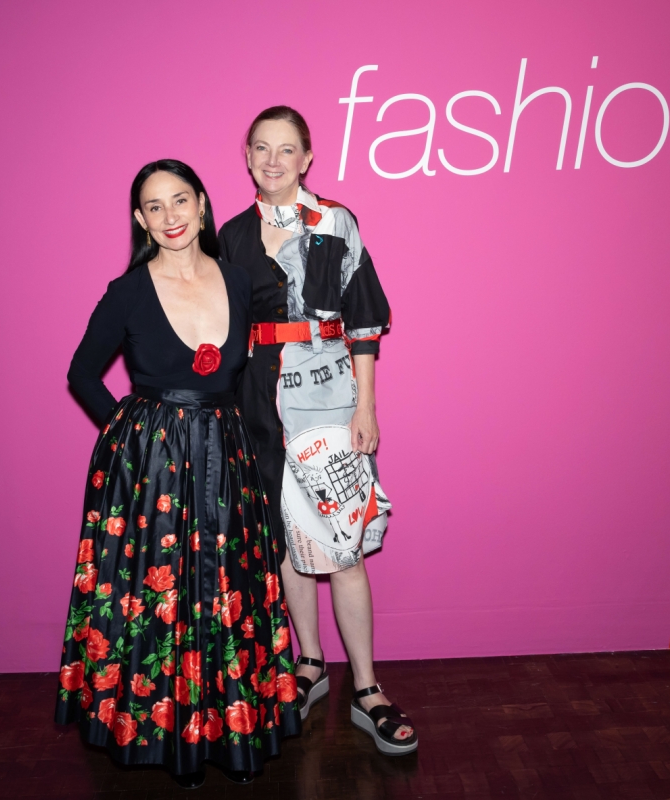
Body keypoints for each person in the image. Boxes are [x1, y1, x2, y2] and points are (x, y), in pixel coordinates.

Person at [56, 159, 300, 788]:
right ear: (140, 219)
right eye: (154, 207)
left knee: (228, 591)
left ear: (201, 205)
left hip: (228, 456)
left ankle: (233, 729)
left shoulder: (241, 282)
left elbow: (257, 369)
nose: (170, 217)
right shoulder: (129, 291)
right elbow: (83, 374)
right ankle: (165, 739)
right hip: (154, 469)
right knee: (162, 599)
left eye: (180, 201)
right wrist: (130, 435)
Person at [218, 107, 417, 756]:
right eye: (260, 149)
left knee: (345, 549)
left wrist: (366, 409)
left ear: (307, 158)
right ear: (246, 157)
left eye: (286, 150)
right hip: (254, 409)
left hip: (328, 406)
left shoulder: (335, 223)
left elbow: (363, 319)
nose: (272, 161)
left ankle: (367, 689)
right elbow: (217, 330)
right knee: (286, 545)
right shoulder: (229, 236)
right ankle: (309, 666)